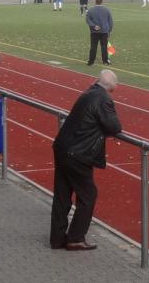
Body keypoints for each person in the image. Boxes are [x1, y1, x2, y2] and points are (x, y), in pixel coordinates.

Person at [49, 70, 122, 250]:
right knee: (88, 195)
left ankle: (57, 239)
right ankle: (75, 238)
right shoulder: (103, 99)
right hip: (78, 153)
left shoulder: (88, 93)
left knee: (62, 195)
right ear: (112, 86)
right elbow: (114, 127)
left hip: (63, 147)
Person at [86, 0, 113, 66]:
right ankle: (105, 61)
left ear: (95, 1)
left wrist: (94, 26)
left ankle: (91, 61)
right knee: (104, 46)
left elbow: (88, 20)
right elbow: (110, 21)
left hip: (94, 32)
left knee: (93, 47)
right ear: (102, 1)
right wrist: (109, 30)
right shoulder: (107, 10)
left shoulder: (91, 10)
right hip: (104, 31)